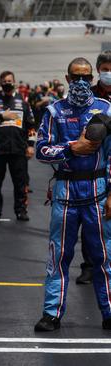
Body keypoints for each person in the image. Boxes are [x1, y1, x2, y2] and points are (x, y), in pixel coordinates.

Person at [34, 57, 111, 332]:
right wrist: (71, 148)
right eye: (75, 77)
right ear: (67, 79)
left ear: (92, 79)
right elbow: (40, 150)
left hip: (98, 191)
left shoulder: (106, 109)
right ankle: (51, 313)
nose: (81, 82)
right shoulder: (54, 111)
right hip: (65, 192)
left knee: (104, 256)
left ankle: (109, 311)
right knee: (59, 255)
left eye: (85, 77)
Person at [76, 50, 111, 285]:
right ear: (98, 70)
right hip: (95, 162)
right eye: (106, 69)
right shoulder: (88, 96)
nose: (109, 73)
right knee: (92, 219)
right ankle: (90, 266)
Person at [0, 71, 36, 221]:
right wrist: (1, 116)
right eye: (4, 81)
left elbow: (31, 125)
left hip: (18, 148)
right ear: (0, 83)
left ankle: (21, 210)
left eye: (9, 80)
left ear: (14, 82)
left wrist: (30, 145)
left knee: (20, 183)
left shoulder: (23, 102)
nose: (7, 83)